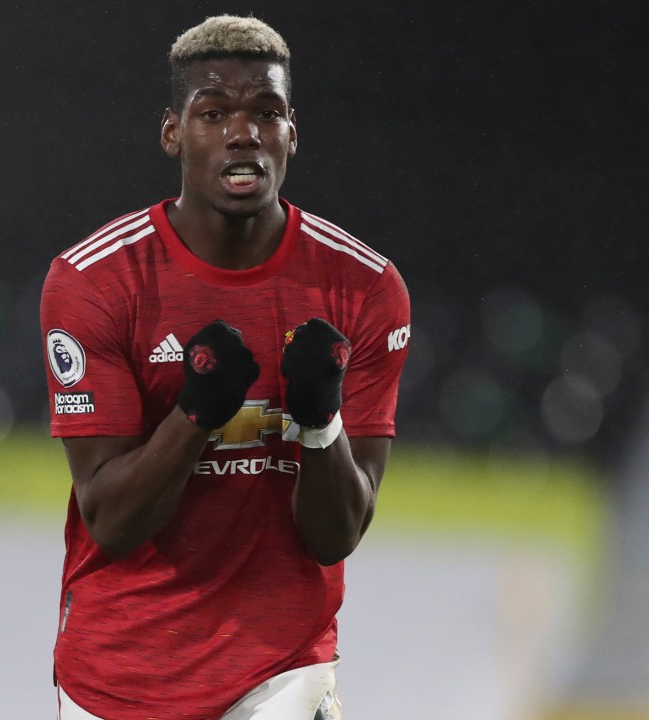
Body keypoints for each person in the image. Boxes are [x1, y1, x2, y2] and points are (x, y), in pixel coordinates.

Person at [38, 14, 410, 720]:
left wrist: (319, 420)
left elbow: (336, 536)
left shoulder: (365, 287)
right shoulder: (94, 280)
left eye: (265, 113)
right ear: (174, 133)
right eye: (215, 113)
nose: (243, 133)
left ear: (291, 133)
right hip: (118, 674)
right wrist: (197, 413)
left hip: (279, 670)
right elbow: (112, 522)